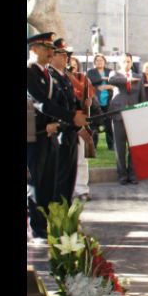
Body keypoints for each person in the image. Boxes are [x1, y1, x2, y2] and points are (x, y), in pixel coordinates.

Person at [27, 33, 87, 243]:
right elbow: (41, 103)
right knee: (36, 182)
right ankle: (37, 229)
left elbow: (56, 104)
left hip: (50, 133)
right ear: (34, 49)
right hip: (35, 135)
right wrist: (71, 117)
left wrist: (63, 121)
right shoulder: (29, 73)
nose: (50, 51)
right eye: (46, 48)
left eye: (52, 48)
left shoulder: (47, 75)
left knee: (49, 182)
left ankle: (47, 224)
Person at [49, 38, 81, 204]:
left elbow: (73, 103)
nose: (67, 57)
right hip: (60, 134)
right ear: (52, 55)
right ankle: (57, 221)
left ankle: (67, 216)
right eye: (63, 54)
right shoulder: (50, 76)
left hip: (71, 134)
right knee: (60, 180)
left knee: (70, 179)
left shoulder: (65, 77)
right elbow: (52, 107)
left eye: (68, 54)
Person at [109, 53, 143, 185]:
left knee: (133, 148)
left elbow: (142, 96)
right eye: (124, 61)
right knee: (120, 147)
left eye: (128, 61)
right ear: (120, 63)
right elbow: (112, 81)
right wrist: (127, 80)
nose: (126, 64)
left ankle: (133, 175)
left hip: (134, 116)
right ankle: (122, 175)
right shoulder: (115, 74)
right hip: (119, 115)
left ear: (131, 62)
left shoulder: (139, 77)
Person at [68, 56, 96, 202]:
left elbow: (90, 95)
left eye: (74, 66)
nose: (72, 69)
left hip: (81, 120)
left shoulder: (83, 78)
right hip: (66, 121)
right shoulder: (62, 78)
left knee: (81, 158)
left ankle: (82, 188)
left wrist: (88, 100)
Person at [87, 54, 114, 150]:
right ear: (94, 62)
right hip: (95, 102)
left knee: (109, 124)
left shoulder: (110, 71)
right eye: (97, 60)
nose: (99, 62)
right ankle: (94, 145)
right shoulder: (91, 72)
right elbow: (90, 81)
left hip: (108, 100)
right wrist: (103, 79)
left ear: (104, 61)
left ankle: (111, 145)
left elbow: (114, 82)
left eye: (101, 60)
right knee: (94, 124)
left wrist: (109, 86)